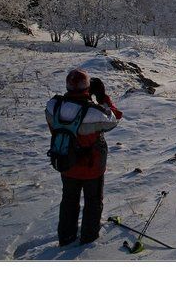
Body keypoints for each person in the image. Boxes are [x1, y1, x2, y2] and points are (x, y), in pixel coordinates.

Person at [45, 69, 123, 246]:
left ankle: (66, 237)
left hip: (66, 161)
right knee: (93, 201)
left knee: (68, 201)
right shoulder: (92, 113)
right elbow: (114, 118)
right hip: (91, 166)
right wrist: (102, 96)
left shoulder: (53, 105)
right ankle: (89, 238)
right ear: (87, 87)